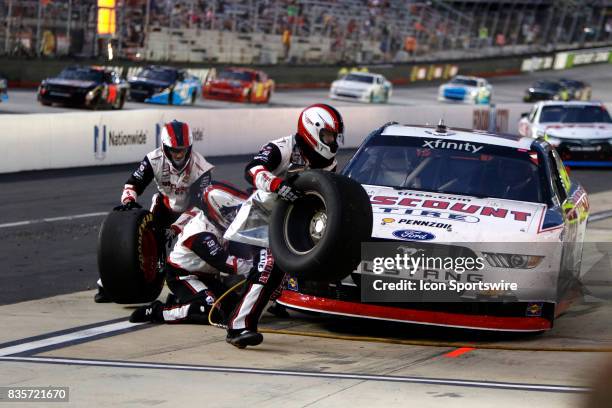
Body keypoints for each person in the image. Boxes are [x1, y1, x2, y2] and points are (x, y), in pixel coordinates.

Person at [224, 103, 344, 348]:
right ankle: (238, 327)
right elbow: (252, 169)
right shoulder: (282, 147)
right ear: (313, 129)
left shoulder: (329, 163)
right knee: (268, 267)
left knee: (276, 275)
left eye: (334, 136)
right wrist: (278, 185)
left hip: (291, 224)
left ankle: (242, 315)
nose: (331, 141)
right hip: (260, 218)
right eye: (328, 135)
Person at [95, 119, 214, 303]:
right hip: (163, 207)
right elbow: (133, 184)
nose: (178, 155)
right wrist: (128, 201)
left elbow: (200, 205)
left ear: (190, 147)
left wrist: (176, 228)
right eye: (174, 150)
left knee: (188, 251)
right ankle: (107, 284)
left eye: (182, 150)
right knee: (139, 245)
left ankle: (189, 286)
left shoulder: (202, 167)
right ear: (165, 147)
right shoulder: (153, 159)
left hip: (192, 214)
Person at [130, 183, 253, 324]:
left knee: (235, 307)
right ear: (216, 210)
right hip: (183, 276)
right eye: (229, 213)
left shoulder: (216, 223)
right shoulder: (201, 234)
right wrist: (256, 266)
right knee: (210, 310)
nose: (233, 216)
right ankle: (158, 311)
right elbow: (225, 263)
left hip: (206, 276)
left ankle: (181, 300)